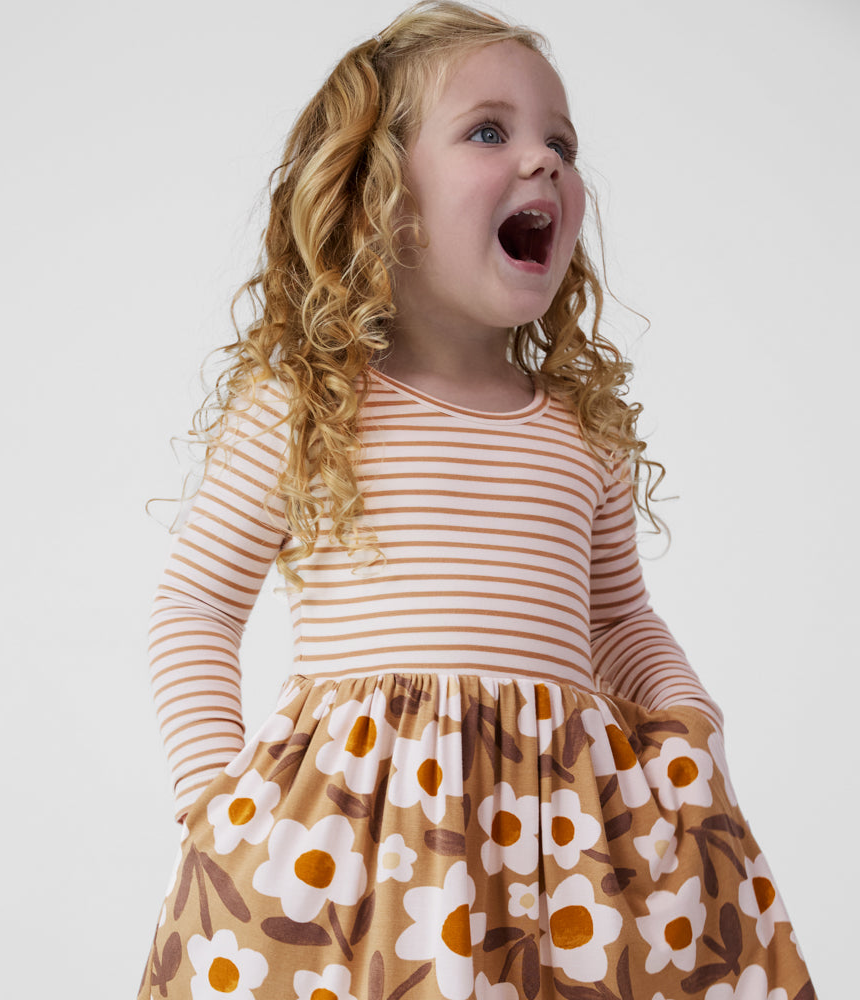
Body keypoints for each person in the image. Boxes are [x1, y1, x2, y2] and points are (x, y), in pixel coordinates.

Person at [135, 3, 815, 998]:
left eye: (562, 143)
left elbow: (618, 616)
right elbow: (194, 605)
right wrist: (213, 800)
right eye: (489, 131)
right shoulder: (309, 401)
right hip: (357, 848)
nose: (544, 161)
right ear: (381, 195)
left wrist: (687, 715)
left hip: (562, 838)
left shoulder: (576, 430)